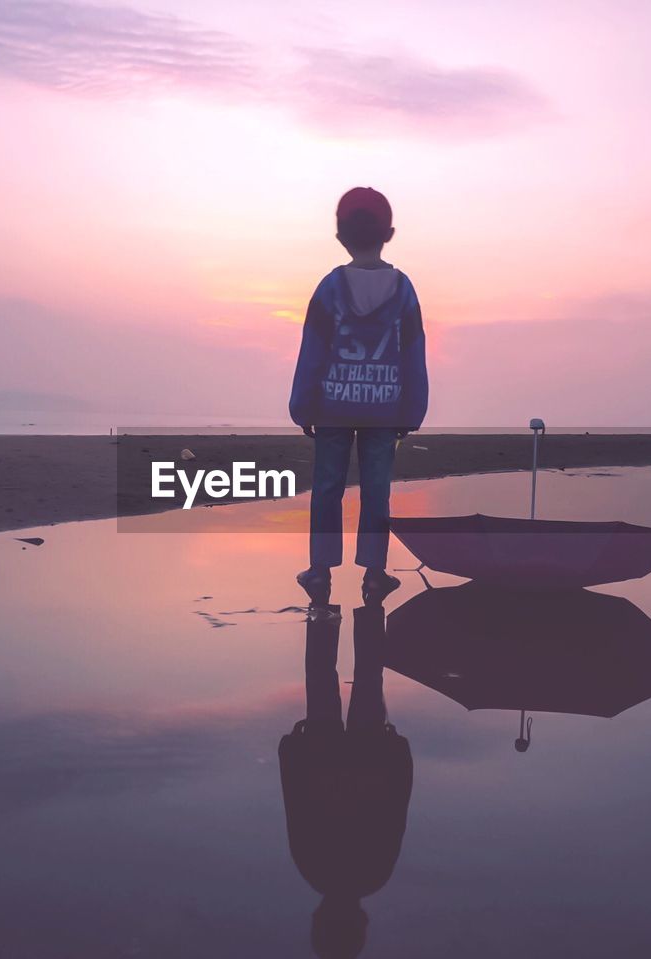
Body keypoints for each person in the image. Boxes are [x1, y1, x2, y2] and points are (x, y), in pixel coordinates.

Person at [289, 187, 429, 605]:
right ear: (389, 233)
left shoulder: (330, 287)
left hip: (333, 405)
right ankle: (373, 574)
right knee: (376, 490)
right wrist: (413, 409)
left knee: (327, 487)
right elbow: (413, 354)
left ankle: (319, 571)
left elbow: (313, 350)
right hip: (385, 408)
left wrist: (302, 406)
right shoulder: (403, 290)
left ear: (340, 236)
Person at [279, 603, 413, 959]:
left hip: (370, 758)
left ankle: (370, 605)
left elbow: (396, 805)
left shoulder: (375, 874)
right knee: (321, 675)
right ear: (320, 920)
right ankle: (324, 603)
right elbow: (296, 800)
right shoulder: (312, 868)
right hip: (323, 756)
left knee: (369, 677)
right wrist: (290, 748)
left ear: (359, 924)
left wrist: (400, 751)